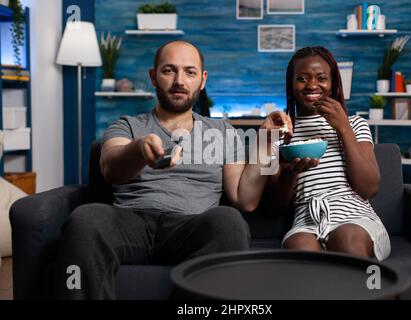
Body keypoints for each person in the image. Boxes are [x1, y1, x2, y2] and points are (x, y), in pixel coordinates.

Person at [53, 40, 292, 299]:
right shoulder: (128, 125)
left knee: (229, 221)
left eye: (189, 72)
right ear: (154, 77)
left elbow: (245, 200)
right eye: (169, 70)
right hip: (131, 221)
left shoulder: (223, 131)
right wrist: (139, 150)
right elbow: (110, 167)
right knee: (86, 218)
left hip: (191, 226)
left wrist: (267, 140)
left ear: (202, 80)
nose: (179, 80)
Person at [269, 46, 391, 261]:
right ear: (291, 84)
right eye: (303, 78)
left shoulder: (355, 124)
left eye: (321, 78)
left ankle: (376, 290)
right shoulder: (277, 132)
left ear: (333, 83)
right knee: (298, 248)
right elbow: (273, 209)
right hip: (306, 221)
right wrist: (290, 172)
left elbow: (369, 187)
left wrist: (343, 128)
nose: (312, 85)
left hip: (355, 218)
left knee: (347, 239)